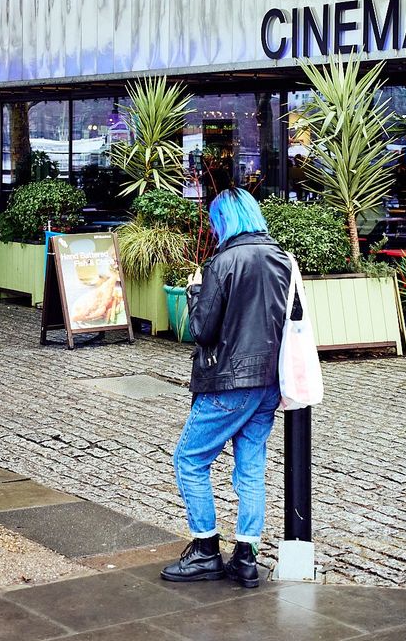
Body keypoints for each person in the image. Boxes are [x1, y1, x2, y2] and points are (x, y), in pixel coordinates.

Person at [161, 185, 290, 589]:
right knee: (250, 468)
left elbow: (202, 330)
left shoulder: (223, 261)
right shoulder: (282, 258)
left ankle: (205, 550)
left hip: (229, 382)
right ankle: (246, 557)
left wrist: (195, 290)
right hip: (268, 381)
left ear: (224, 221)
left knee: (189, 460)